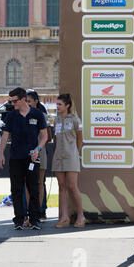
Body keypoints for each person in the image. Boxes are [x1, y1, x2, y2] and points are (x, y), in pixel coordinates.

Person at [0, 87, 48, 231]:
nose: (13, 104)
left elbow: (44, 135)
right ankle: (19, 219)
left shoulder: (37, 114)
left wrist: (38, 149)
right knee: (16, 189)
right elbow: (5, 136)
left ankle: (35, 219)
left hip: (32, 158)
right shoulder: (11, 116)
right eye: (11, 101)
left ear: (23, 99)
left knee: (33, 188)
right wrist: (1, 154)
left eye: (15, 101)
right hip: (15, 157)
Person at [52, 94, 85, 228]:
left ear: (67, 105)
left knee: (72, 186)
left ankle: (81, 216)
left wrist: (76, 153)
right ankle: (64, 217)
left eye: (60, 104)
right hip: (58, 156)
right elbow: (55, 139)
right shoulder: (56, 120)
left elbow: (80, 139)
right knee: (61, 186)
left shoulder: (76, 120)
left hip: (71, 156)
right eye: (57, 104)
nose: (57, 107)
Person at [26, 90, 52, 220]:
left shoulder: (43, 115)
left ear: (36, 101)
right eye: (26, 101)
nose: (28, 104)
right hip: (25, 152)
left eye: (29, 101)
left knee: (40, 182)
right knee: (27, 183)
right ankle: (28, 212)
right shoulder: (21, 114)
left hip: (40, 151)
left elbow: (49, 136)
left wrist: (38, 145)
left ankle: (39, 211)